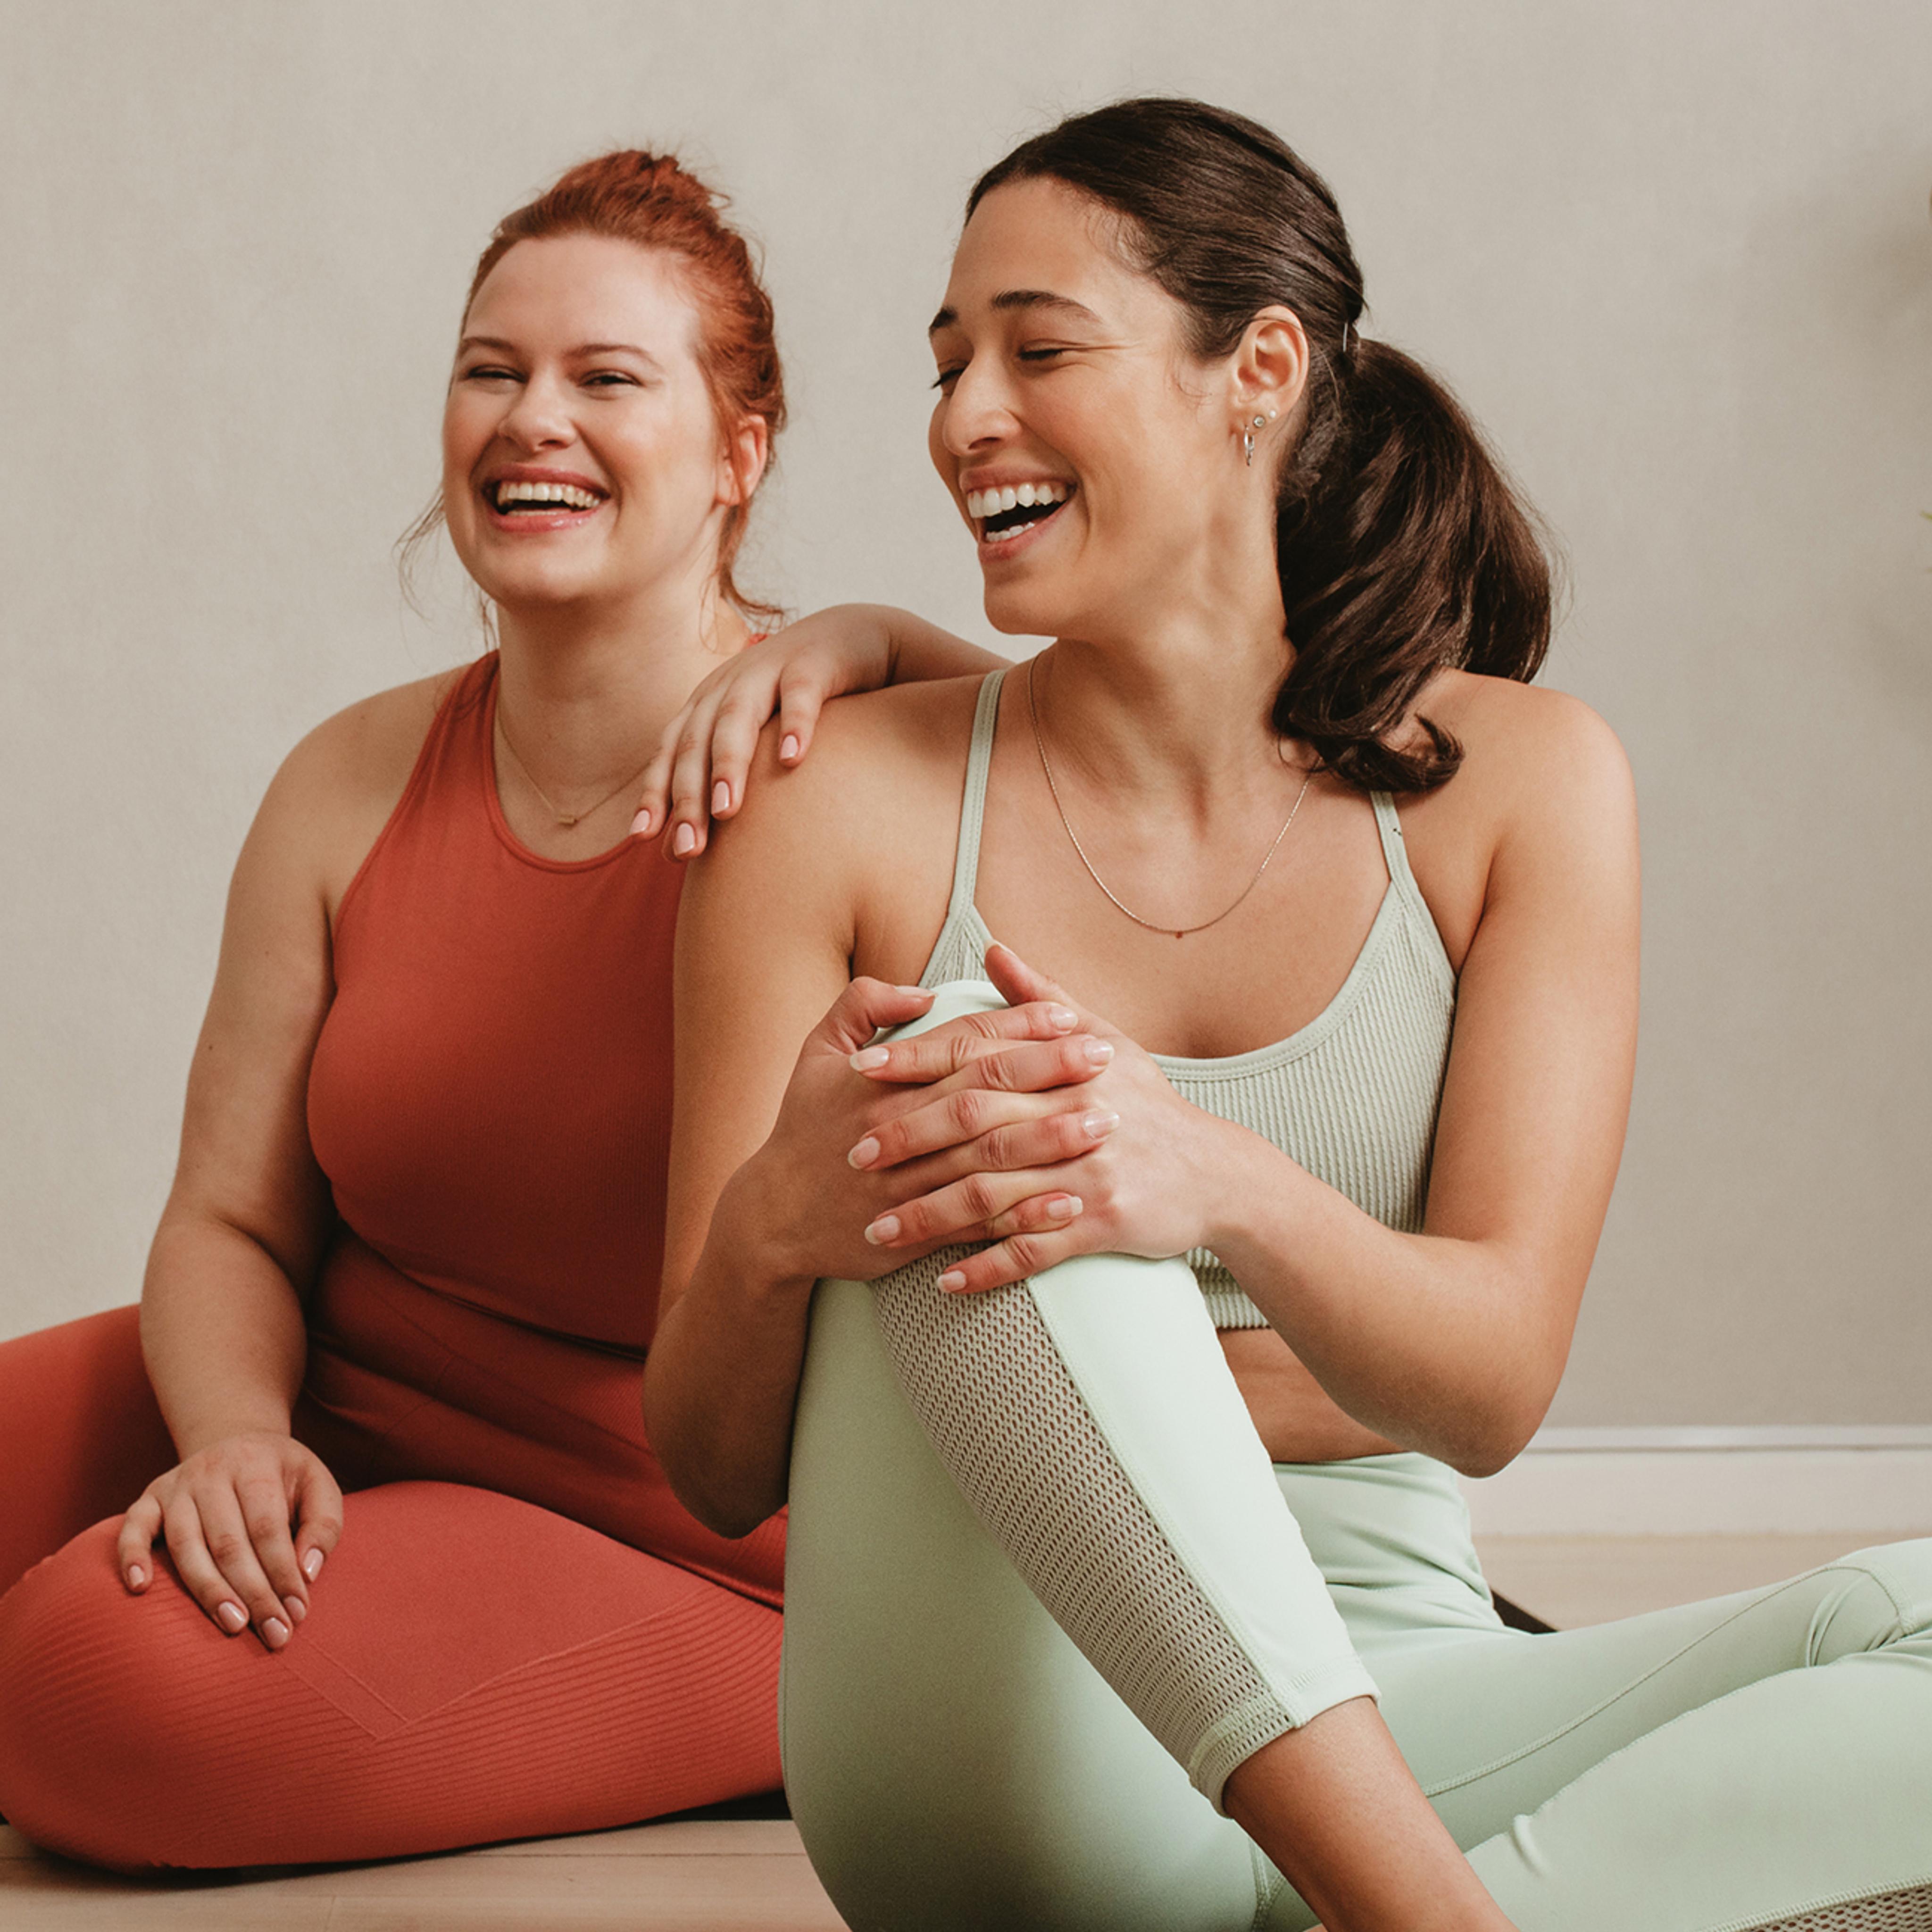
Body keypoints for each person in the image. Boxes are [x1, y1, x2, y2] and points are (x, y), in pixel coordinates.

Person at [644, 98, 1932, 1932]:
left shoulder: (1524, 782)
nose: (962, 416)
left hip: (1414, 1701)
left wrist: (1213, 1183)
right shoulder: (833, 802)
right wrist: (782, 1224)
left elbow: (1486, 1385)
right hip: (1002, 1727)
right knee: (999, 1109)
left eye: (1038, 349)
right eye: (946, 364)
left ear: (1255, 372)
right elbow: (707, 1464)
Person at [0, 148, 995, 1871]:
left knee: (90, 1686)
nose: (534, 418)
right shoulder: (348, 777)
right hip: (338, 1398)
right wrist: (232, 1440)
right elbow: (230, 1218)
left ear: (740, 455)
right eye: (492, 370)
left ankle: (782, 1713)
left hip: (683, 1536)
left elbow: (1130, 772)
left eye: (607, 378)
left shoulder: (843, 763)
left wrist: (884, 636)